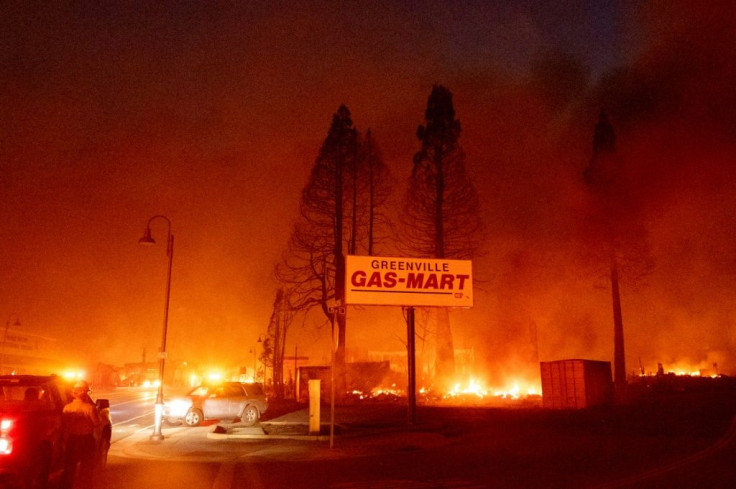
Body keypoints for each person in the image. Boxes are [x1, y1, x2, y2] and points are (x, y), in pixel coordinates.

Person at [61, 380, 100, 489]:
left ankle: (67, 486)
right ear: (84, 393)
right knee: (86, 467)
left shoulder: (66, 408)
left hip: (72, 440)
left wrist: (64, 442)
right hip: (86, 440)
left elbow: (64, 426)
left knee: (70, 467)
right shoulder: (89, 408)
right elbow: (97, 424)